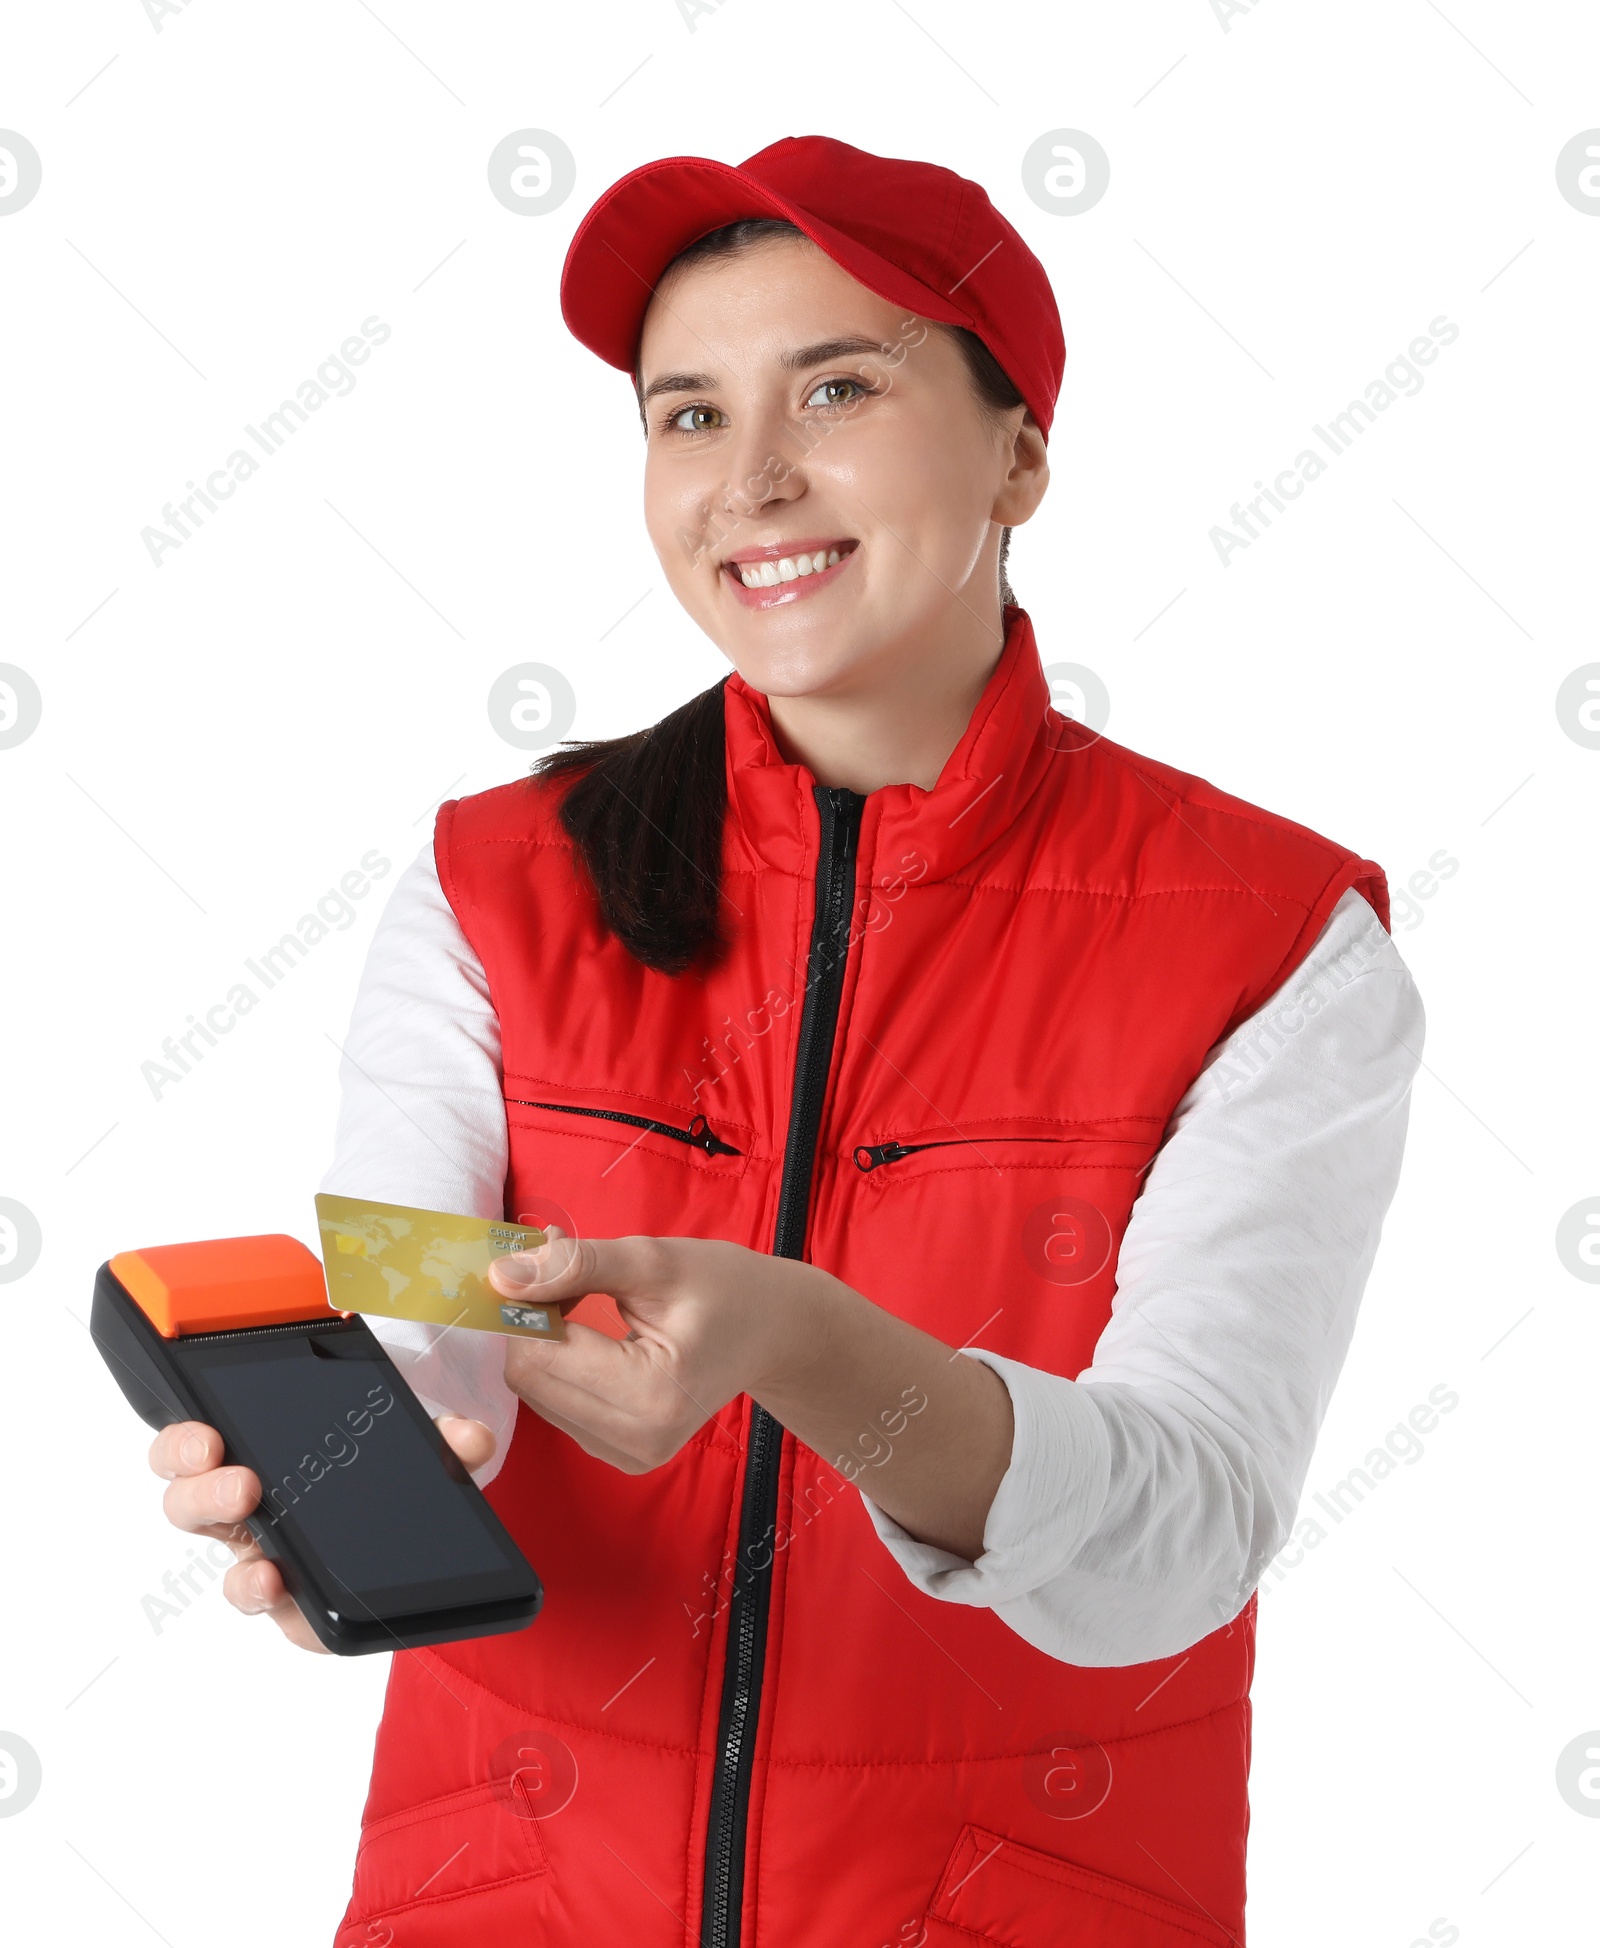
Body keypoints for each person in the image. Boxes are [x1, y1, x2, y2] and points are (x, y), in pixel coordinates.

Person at [149, 136, 1423, 1946]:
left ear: (1022, 452)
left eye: (838, 386)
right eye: (686, 414)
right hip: (502, 1898)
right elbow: (429, 1295)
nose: (749, 479)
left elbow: (1185, 1538)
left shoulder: (1277, 944)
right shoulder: (490, 884)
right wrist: (378, 1460)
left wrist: (811, 1354)